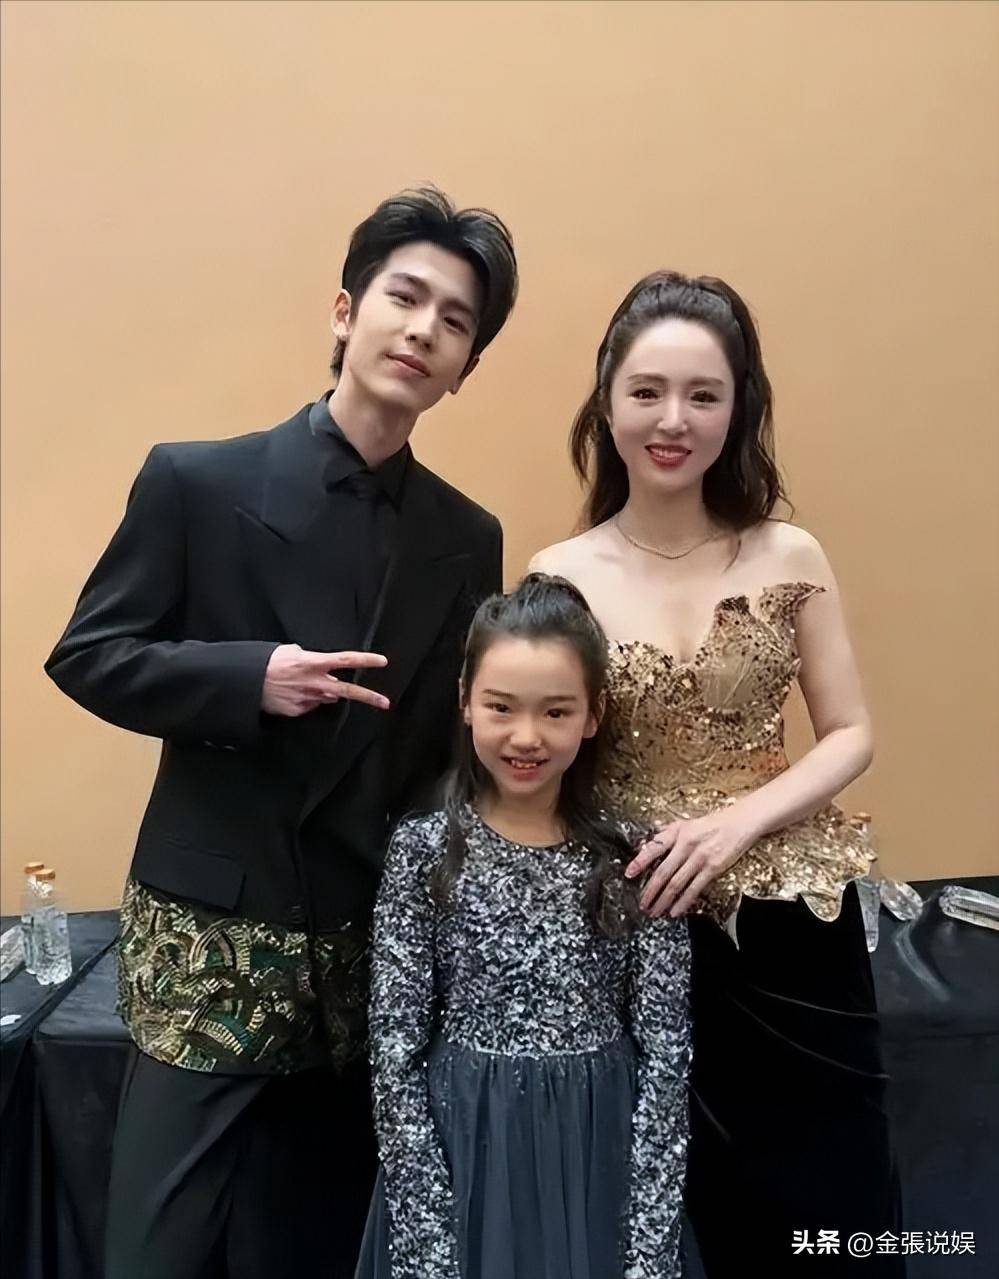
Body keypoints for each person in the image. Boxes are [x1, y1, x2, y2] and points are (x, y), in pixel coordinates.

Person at [44, 186, 518, 1279]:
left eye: (454, 321)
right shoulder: (196, 481)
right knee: (156, 1249)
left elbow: (442, 749)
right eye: (404, 297)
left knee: (318, 1240)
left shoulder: (467, 534)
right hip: (209, 941)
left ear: (464, 366)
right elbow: (88, 653)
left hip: (363, 949)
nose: (423, 330)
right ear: (345, 311)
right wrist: (246, 677)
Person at [530, 272, 904, 1277]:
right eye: (647, 391)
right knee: (646, 1214)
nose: (673, 420)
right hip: (629, 920)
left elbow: (849, 732)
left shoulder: (789, 551)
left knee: (833, 1203)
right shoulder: (558, 575)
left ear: (739, 409)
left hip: (790, 927)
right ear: (607, 401)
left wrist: (739, 822)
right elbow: (535, 755)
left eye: (704, 394)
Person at [355, 574, 691, 1279]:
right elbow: (394, 1049)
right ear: (465, 702)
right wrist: (427, 1229)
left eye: (556, 711)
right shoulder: (424, 850)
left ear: (593, 714)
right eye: (501, 707)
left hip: (598, 1154)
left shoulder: (635, 857)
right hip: (464, 1149)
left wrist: (649, 1240)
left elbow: (666, 1055)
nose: (526, 737)